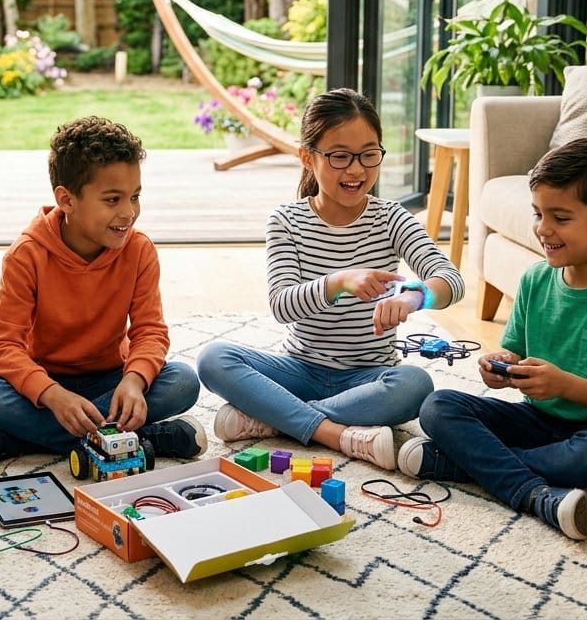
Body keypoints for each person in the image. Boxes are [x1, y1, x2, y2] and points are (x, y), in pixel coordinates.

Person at [398, 136, 587, 540]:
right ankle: (534, 492)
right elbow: (517, 352)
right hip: (538, 421)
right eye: (538, 213)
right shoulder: (535, 279)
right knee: (438, 406)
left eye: (560, 218)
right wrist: (501, 365)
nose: (543, 229)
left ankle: (461, 464)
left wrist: (565, 385)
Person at [197, 88, 465, 470]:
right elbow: (282, 304)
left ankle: (275, 419)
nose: (356, 170)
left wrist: (413, 298)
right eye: (339, 156)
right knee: (212, 358)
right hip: (299, 369)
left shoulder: (392, 217)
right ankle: (335, 432)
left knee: (415, 385)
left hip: (368, 378)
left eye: (369, 154)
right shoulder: (287, 221)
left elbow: (450, 279)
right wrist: (337, 283)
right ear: (308, 158)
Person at [0, 116, 207, 466]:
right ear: (67, 200)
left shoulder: (139, 251)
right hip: (45, 385)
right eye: (112, 200)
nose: (129, 212)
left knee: (183, 380)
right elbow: (2, 346)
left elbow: (149, 331)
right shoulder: (26, 255)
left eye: (135, 196)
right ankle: (144, 438)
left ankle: (20, 439)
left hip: (111, 379)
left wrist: (135, 381)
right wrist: (52, 395)